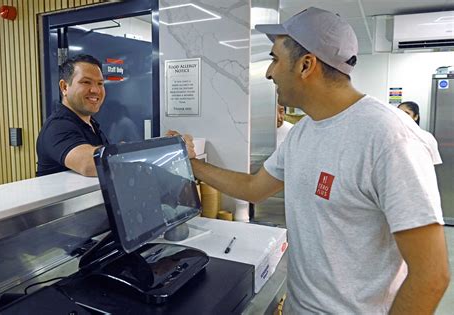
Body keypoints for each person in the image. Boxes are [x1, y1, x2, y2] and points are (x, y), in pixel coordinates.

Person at [169, 7, 450, 314]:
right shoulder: (304, 131)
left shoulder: (388, 137)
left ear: (306, 65)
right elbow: (253, 188)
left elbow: (431, 276)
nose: (268, 72)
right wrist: (191, 163)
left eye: (275, 59)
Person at [36, 54, 108, 177]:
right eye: (86, 82)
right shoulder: (57, 126)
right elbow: (89, 164)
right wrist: (122, 154)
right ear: (64, 87)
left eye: (100, 83)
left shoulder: (91, 124)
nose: (95, 90)